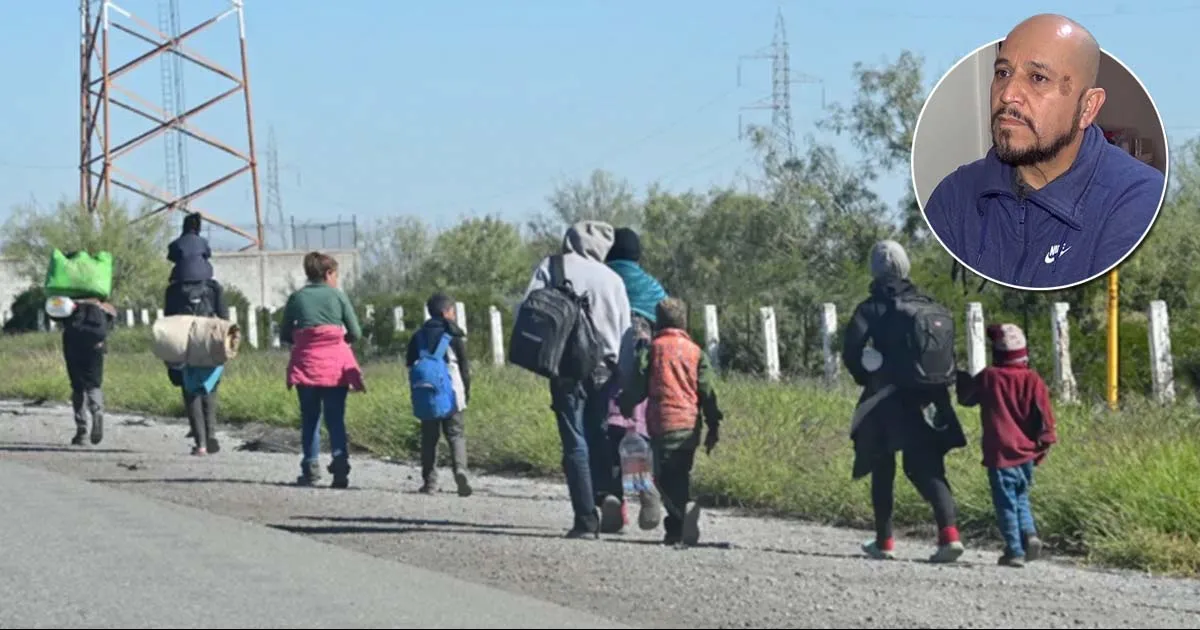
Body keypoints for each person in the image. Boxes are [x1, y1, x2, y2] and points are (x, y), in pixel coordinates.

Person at [922, 14, 1165, 289]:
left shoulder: (1138, 201)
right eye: (1003, 73)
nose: (1008, 94)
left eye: (1037, 78)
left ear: (1088, 107)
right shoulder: (955, 196)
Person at [842, 240, 968, 564]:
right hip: (930, 395)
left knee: (882, 465)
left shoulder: (870, 308)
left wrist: (866, 377)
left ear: (874, 269)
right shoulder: (927, 303)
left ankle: (884, 541)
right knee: (926, 467)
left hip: (887, 399)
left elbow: (851, 351)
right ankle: (949, 536)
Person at [519, 220, 633, 538]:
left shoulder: (551, 266)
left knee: (574, 442)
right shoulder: (613, 280)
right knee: (600, 434)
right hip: (604, 370)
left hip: (565, 368)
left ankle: (585, 520)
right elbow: (624, 334)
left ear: (570, 239)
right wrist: (624, 376)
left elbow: (527, 311)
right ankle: (608, 494)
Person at [619, 297, 722, 546]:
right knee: (681, 473)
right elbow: (707, 392)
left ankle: (678, 522)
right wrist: (713, 425)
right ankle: (679, 522)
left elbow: (639, 385)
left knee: (664, 478)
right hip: (689, 425)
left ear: (658, 322)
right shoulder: (696, 352)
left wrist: (626, 404)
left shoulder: (652, 349)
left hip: (662, 424)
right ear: (684, 322)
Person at [956, 323, 1058, 568]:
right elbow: (1045, 418)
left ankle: (1014, 550)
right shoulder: (1033, 379)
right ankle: (1029, 534)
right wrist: (1041, 448)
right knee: (1021, 497)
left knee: (1005, 504)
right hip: (1026, 452)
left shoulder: (990, 376)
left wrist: (959, 376)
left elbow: (967, 398)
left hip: (1000, 452)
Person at [280, 251, 365, 488]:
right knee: (335, 418)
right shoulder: (338, 297)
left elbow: (285, 333)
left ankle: (310, 467)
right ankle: (340, 468)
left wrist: (305, 340)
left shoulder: (297, 298)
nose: (336, 279)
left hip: (305, 365)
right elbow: (356, 332)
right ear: (328, 274)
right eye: (336, 274)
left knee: (310, 419)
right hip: (335, 368)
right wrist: (336, 341)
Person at [603, 227, 667, 531]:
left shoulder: (602, 279)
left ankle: (611, 498)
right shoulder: (651, 285)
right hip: (642, 370)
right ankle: (644, 489)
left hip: (604, 365)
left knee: (605, 434)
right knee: (635, 432)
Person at [406, 292, 473, 497]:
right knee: (455, 434)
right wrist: (467, 392)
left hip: (427, 393)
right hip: (452, 392)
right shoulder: (453, 335)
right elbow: (464, 368)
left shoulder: (418, 336)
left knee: (429, 438)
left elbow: (410, 366)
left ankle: (430, 482)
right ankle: (460, 471)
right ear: (446, 312)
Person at [163, 276, 230, 455]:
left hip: (185, 343)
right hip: (208, 341)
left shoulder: (174, 289)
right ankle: (211, 434)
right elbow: (224, 317)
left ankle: (200, 444)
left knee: (191, 393)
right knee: (210, 390)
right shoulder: (213, 287)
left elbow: (168, 319)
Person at [60, 297, 117, 446]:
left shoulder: (69, 303)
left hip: (72, 345)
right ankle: (97, 411)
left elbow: (54, 315)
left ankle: (82, 431)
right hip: (95, 346)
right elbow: (112, 318)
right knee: (94, 385)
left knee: (78, 386)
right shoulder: (102, 304)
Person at [167, 212, 215, 284]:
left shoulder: (176, 243)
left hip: (182, 277)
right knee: (217, 289)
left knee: (170, 291)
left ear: (184, 226)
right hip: (205, 276)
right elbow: (208, 255)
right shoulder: (204, 242)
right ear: (199, 227)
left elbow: (171, 257)